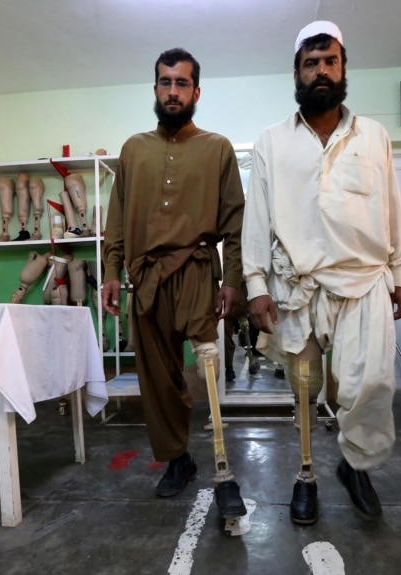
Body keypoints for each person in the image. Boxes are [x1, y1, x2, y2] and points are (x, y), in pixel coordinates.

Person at [243, 21, 401, 524]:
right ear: (296, 72)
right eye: (311, 63)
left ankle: (356, 464)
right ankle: (308, 472)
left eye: (330, 61)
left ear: (343, 68)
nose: (321, 71)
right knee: (305, 390)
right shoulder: (271, 142)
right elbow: (258, 218)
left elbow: (392, 208)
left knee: (371, 385)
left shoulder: (374, 135)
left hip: (365, 284)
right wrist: (255, 287)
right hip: (298, 287)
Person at [101, 48, 248, 518]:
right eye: (165, 82)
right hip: (144, 277)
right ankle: (179, 459)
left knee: (206, 366)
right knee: (158, 379)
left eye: (182, 83)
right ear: (155, 88)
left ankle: (223, 461)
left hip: (198, 271)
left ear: (196, 92)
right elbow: (117, 219)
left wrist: (233, 280)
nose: (172, 91)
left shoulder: (218, 148)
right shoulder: (133, 149)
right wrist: (110, 271)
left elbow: (235, 223)